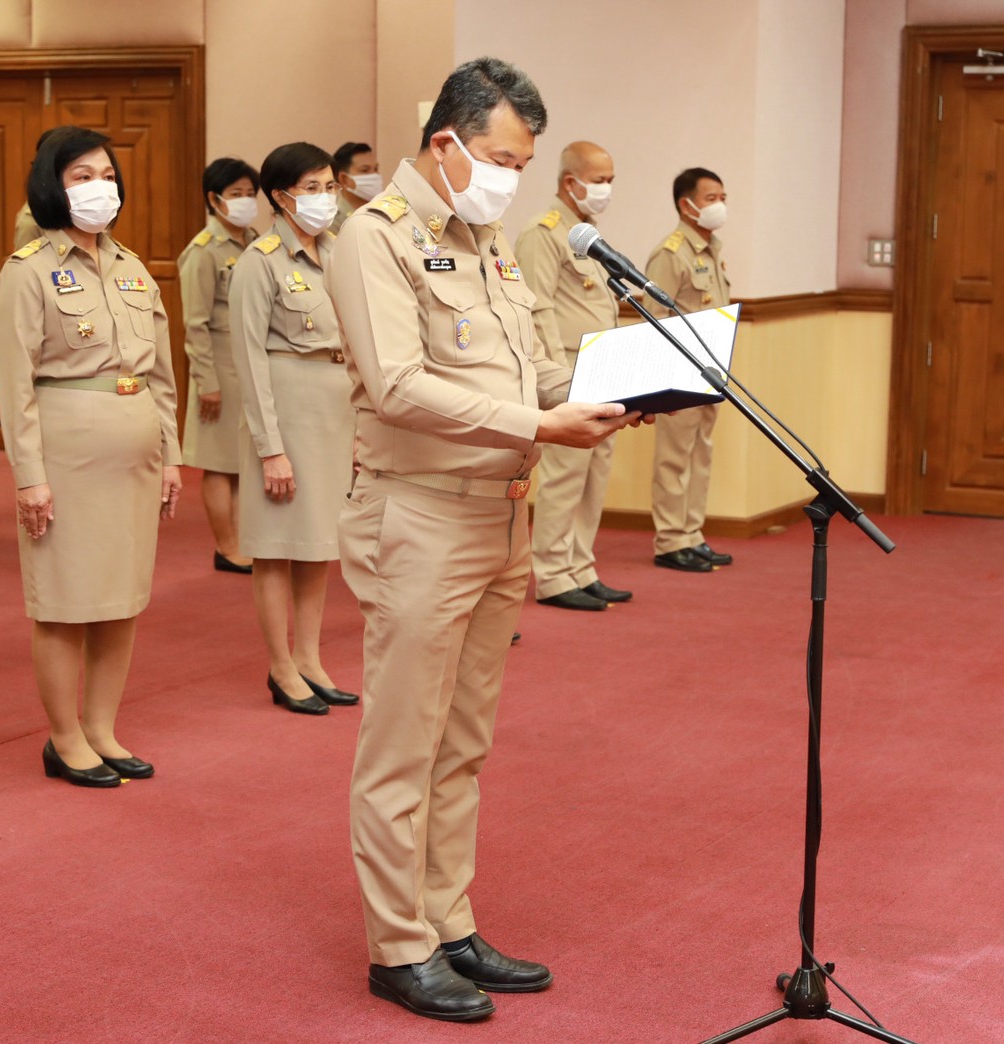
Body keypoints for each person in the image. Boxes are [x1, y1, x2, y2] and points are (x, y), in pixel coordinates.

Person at [328, 57, 641, 1022]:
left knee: (462, 743)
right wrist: (544, 427)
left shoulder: (487, 237)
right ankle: (399, 945)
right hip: (420, 515)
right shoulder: (372, 241)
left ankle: (448, 918)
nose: (512, 175)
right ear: (446, 144)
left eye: (525, 160)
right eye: (502, 156)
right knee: (403, 743)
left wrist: (596, 391)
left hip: (501, 508)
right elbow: (399, 386)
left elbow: (525, 364)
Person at [0, 125, 182, 788]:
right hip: (66, 454)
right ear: (52, 185)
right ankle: (64, 736)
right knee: (66, 603)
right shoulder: (28, 272)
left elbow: (161, 371)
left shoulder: (132, 266)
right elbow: (16, 385)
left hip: (134, 450)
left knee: (121, 598)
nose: (98, 186)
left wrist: (172, 454)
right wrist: (30, 479)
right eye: (81, 176)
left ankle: (102, 727)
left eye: (105, 173)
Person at [230, 143, 358, 717]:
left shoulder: (338, 251)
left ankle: (310, 658)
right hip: (285, 408)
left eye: (329, 186)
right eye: (312, 188)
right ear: (280, 197)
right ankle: (281, 665)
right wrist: (270, 449)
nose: (325, 198)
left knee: (318, 546)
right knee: (277, 549)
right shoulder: (260, 260)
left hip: (333, 408)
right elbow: (249, 358)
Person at [516, 141, 629, 612]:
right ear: (570, 181)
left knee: (594, 474)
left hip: (601, 364)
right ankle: (552, 575)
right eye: (599, 180)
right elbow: (537, 307)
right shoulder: (543, 234)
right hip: (566, 368)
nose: (605, 189)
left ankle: (580, 565)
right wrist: (557, 380)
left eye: (610, 180)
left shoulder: (586, 232)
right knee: (565, 476)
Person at [645, 167, 735, 573]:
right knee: (673, 459)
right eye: (711, 198)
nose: (720, 205)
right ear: (687, 204)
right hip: (678, 373)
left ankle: (692, 534)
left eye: (722, 197)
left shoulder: (712, 247)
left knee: (701, 454)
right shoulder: (671, 252)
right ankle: (669, 540)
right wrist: (661, 377)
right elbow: (654, 317)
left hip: (711, 372)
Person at [177, 157, 259, 574]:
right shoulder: (203, 251)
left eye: (250, 194)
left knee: (245, 460)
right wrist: (206, 381)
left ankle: (245, 542)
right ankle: (226, 547)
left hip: (250, 367)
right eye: (235, 195)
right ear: (214, 199)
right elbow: (195, 324)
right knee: (219, 463)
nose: (245, 202)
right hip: (219, 370)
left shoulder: (255, 242)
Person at [331, 141, 381, 232]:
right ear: (344, 179)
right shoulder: (332, 221)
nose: (375, 175)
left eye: (376, 169)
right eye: (365, 170)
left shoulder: (381, 212)